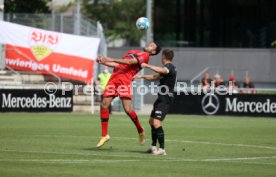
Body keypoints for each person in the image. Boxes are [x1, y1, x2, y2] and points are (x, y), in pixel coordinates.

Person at [96, 42, 162, 148]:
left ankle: (140, 130)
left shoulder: (145, 56)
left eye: (153, 45)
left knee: (127, 109)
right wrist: (104, 62)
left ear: (153, 52)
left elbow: (129, 62)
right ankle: (104, 135)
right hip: (114, 78)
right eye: (151, 43)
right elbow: (119, 65)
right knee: (104, 105)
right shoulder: (133, 51)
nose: (150, 44)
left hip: (125, 80)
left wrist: (110, 58)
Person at [134, 49, 177, 155]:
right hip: (161, 98)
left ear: (163, 56)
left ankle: (162, 149)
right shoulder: (165, 69)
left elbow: (162, 71)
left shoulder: (169, 68)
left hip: (166, 99)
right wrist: (141, 76)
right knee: (151, 121)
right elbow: (155, 76)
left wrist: (147, 66)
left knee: (156, 123)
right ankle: (153, 146)